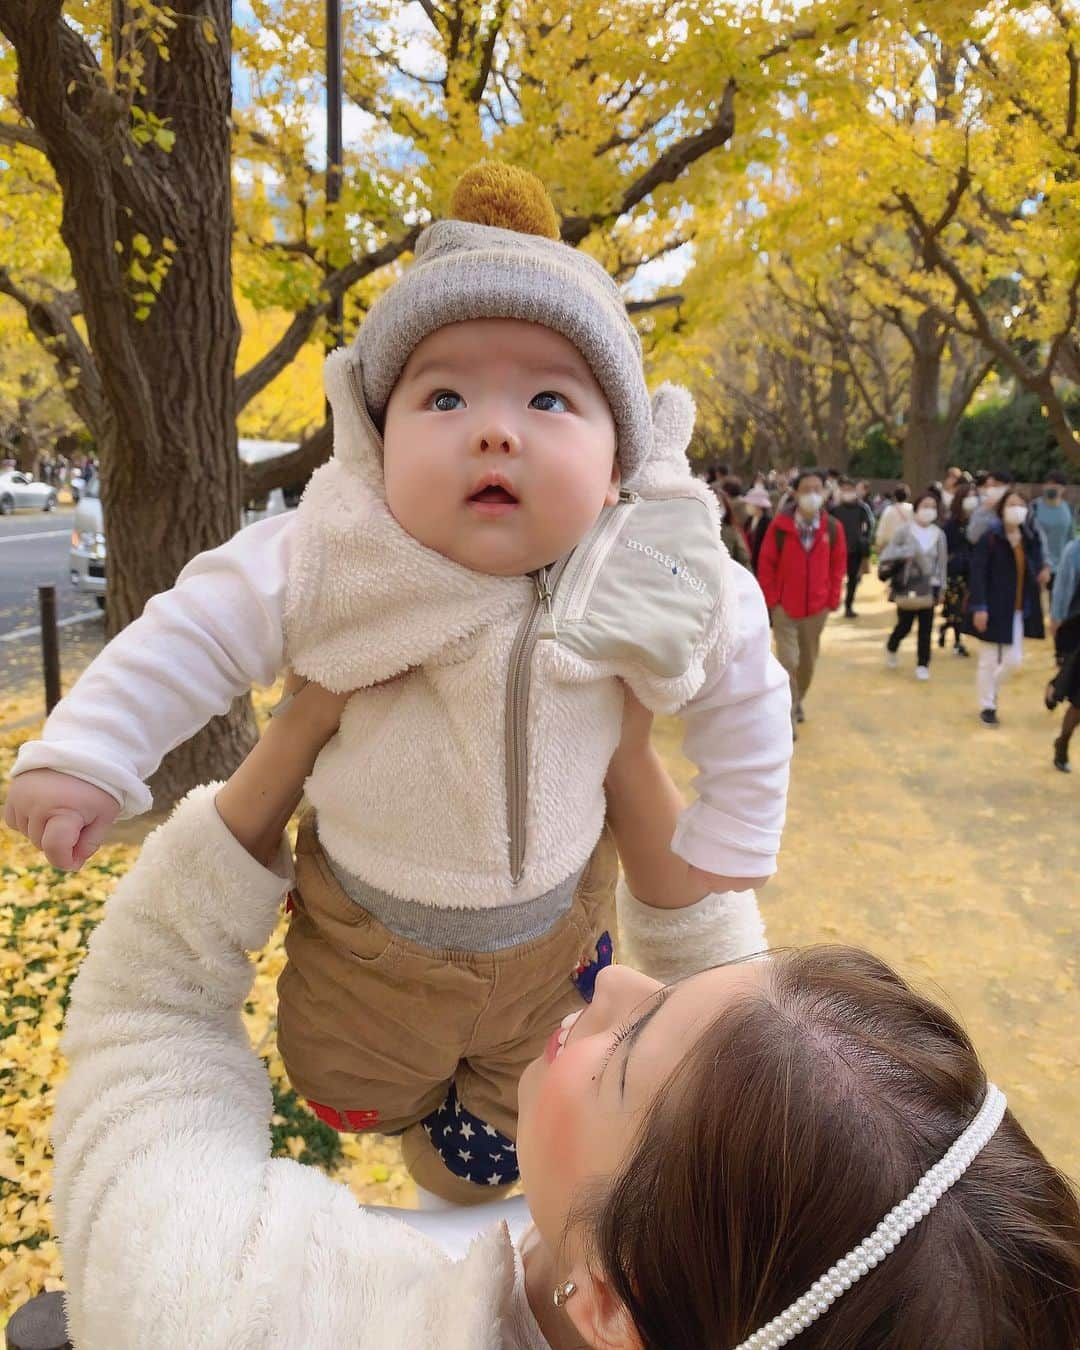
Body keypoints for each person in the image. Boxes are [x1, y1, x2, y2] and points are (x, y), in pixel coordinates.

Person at [4, 163, 792, 1204]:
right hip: (371, 935)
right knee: (348, 1081)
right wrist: (90, 753)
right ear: (377, 442)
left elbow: (748, 680)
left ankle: (479, 1129)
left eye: (549, 397)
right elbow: (190, 628)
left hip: (555, 932)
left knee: (512, 1118)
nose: (493, 429)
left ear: (617, 467)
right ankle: (375, 1099)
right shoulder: (342, 554)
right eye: (445, 395)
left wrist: (738, 823)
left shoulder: (654, 569)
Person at [47, 680, 1080, 1348]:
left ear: (607, 1302)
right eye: (661, 991)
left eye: (626, 1052)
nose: (614, 981)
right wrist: (625, 749)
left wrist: (297, 735)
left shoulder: (252, 1314)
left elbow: (145, 1041)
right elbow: (728, 1044)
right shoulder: (710, 1282)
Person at [757, 468, 846, 729]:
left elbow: (838, 566)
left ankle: (797, 700)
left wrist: (832, 598)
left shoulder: (832, 527)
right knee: (788, 661)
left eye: (817, 489)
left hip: (816, 609)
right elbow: (766, 564)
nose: (812, 494)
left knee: (806, 664)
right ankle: (788, 714)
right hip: (785, 607)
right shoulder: (779, 527)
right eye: (806, 489)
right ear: (795, 493)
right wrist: (772, 600)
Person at [965, 488, 1050, 726]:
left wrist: (1042, 570)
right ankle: (987, 706)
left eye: (1021, 504)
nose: (1017, 509)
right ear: (1001, 509)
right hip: (993, 605)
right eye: (1011, 504)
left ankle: (990, 689)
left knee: (1014, 660)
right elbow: (978, 573)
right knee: (989, 659)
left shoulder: (1028, 537)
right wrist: (979, 606)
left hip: (1020, 607)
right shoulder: (991, 537)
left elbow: (1036, 562)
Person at [879, 492, 947, 680]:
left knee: (926, 629)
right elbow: (888, 554)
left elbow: (941, 563)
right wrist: (908, 552)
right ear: (916, 508)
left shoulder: (939, 534)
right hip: (906, 584)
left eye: (933, 507)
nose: (929, 510)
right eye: (925, 506)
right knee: (905, 625)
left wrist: (942, 588)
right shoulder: (904, 531)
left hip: (929, 586)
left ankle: (923, 664)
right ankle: (892, 646)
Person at [1047, 534, 1080, 772]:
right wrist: (1057, 617)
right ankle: (1063, 741)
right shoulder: (1075, 550)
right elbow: (1063, 588)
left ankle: (1057, 685)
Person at [939, 478, 977, 657]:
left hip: (971, 571)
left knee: (964, 607)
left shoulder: (976, 523)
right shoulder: (951, 524)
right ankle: (957, 641)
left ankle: (946, 629)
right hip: (954, 572)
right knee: (955, 608)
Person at [829, 476, 875, 618]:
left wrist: (864, 538)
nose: (847, 492)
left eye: (850, 489)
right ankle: (832, 602)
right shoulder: (835, 510)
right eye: (844, 490)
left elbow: (869, 525)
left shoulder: (861, 508)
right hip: (836, 549)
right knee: (834, 577)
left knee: (853, 579)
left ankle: (849, 606)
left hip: (855, 549)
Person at [1031, 470, 1075, 594]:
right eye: (1048, 484)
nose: (1051, 487)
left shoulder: (1069, 509)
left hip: (1061, 568)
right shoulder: (1034, 507)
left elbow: (1070, 538)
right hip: (1038, 567)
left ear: (1063, 489)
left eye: (1055, 485)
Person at [967, 468, 1014, 546]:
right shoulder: (983, 506)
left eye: (995, 485)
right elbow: (972, 536)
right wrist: (984, 509)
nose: (991, 489)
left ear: (1008, 486)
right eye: (988, 486)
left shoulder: (1016, 506)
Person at [714, 484, 752, 569]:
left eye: (718, 506)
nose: (716, 509)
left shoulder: (731, 531)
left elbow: (744, 558)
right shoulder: (696, 531)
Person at [742, 484, 773, 574]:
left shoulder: (767, 523)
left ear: (758, 506)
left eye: (749, 504)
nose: (747, 506)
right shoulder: (749, 520)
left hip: (760, 565)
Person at [873, 484, 913, 551]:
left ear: (895, 497)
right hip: (908, 548)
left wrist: (879, 544)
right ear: (908, 496)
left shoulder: (889, 510)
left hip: (891, 548)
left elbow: (881, 531)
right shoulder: (913, 510)